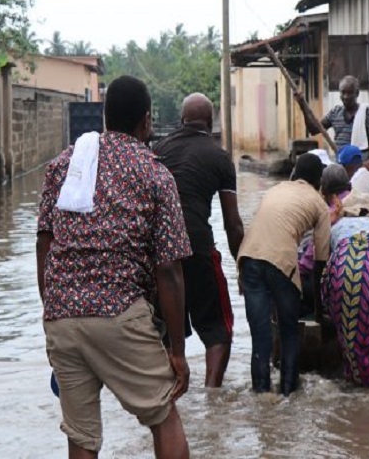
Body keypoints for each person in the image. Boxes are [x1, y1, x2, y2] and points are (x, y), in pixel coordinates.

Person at [36, 75, 191, 459]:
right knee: (164, 415)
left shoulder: (64, 165)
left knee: (82, 437)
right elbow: (168, 270)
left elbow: (44, 244)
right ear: (146, 121)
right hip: (118, 311)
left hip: (61, 318)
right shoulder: (155, 173)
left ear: (105, 117)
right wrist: (177, 350)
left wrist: (53, 309)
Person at [154, 92, 244, 388]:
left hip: (159, 254)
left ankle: (171, 393)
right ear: (210, 122)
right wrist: (242, 267)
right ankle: (212, 396)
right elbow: (233, 224)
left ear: (181, 120)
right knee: (219, 331)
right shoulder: (218, 157)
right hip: (198, 249)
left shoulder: (158, 150)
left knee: (164, 333)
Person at [237, 153, 331, 396]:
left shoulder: (275, 190)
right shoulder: (319, 203)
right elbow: (322, 261)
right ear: (319, 181)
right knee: (289, 331)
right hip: (280, 262)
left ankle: (261, 394)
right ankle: (288, 393)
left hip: (248, 258)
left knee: (260, 336)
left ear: (293, 174)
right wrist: (320, 312)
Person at [321, 189, 369, 387]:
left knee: (350, 333)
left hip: (347, 273)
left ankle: (356, 378)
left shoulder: (337, 227)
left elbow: (326, 265)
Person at [297, 164, 348, 316]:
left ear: (323, 190)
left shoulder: (330, 214)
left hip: (339, 283)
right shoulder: (363, 201)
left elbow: (308, 262)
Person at [295, 75, 369, 167]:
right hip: (341, 165)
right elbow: (313, 130)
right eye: (343, 92)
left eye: (350, 93)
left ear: (357, 93)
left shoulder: (366, 114)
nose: (346, 97)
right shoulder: (335, 113)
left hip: (360, 167)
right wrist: (303, 106)